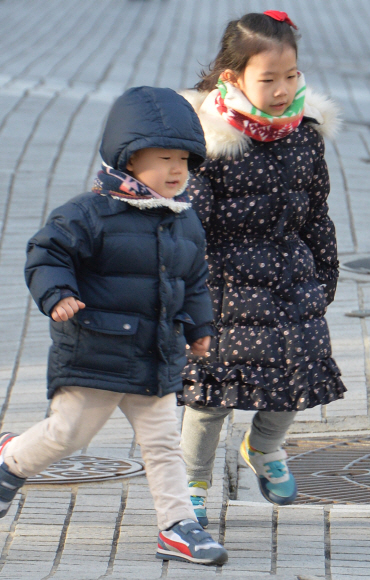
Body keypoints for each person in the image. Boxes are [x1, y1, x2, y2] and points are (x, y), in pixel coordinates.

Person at [0, 86, 228, 566]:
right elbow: (47, 253)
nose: (175, 171)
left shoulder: (184, 220)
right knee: (69, 435)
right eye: (163, 158)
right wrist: (57, 294)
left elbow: (195, 279)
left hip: (156, 357)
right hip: (96, 353)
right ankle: (11, 462)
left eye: (184, 161)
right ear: (128, 160)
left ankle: (177, 525)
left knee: (164, 444)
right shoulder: (88, 213)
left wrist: (199, 326)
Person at [178, 10, 346, 528]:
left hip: (291, 276)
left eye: (290, 76)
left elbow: (316, 209)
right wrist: (189, 298)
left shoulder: (304, 133)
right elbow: (189, 228)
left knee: (301, 374)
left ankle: (265, 447)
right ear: (233, 78)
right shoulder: (206, 141)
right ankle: (193, 482)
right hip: (224, 283)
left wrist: (325, 271)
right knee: (213, 396)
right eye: (268, 79)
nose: (281, 89)